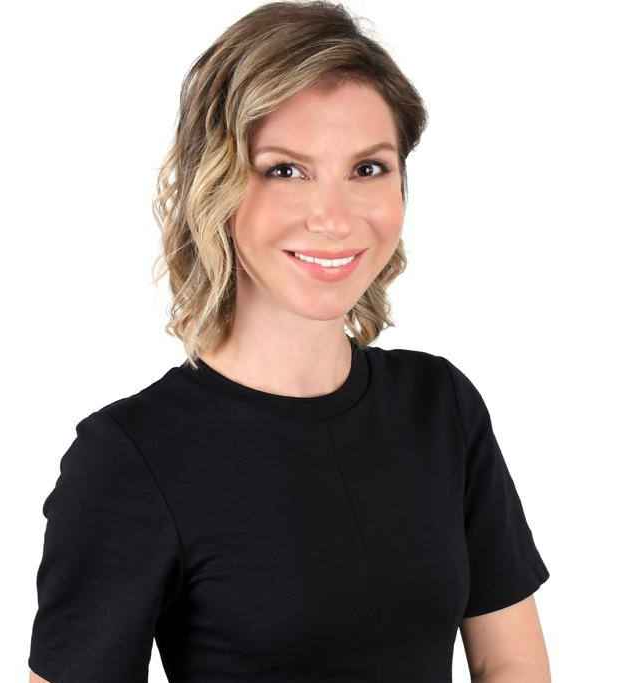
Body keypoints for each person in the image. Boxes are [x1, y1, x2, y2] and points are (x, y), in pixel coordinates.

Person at [27, 2, 551, 682]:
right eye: (284, 170)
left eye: (367, 169)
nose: (332, 218)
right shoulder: (130, 457)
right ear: (216, 185)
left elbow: (510, 662)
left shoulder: (439, 407)